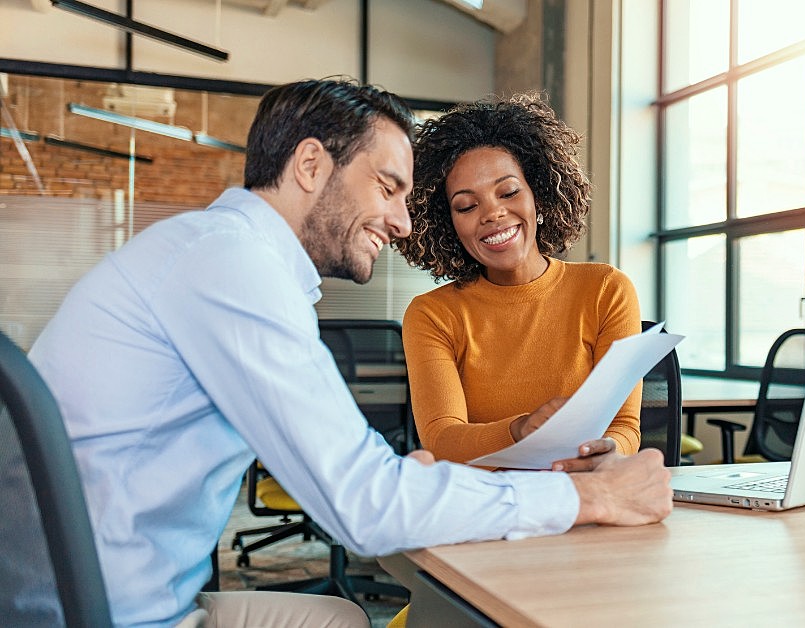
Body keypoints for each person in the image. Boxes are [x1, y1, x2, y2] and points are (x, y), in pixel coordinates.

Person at [27, 78, 672, 628]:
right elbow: (365, 505)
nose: (404, 222)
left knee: (340, 618)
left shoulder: (223, 255)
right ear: (311, 166)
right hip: (100, 612)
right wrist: (592, 501)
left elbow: (362, 480)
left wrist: (407, 482)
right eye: (388, 187)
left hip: (119, 591)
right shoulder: (230, 267)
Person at [394, 92, 642, 468]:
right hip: (485, 505)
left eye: (508, 192)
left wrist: (608, 451)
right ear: (449, 224)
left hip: (583, 494)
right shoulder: (432, 314)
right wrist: (521, 430)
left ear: (538, 197)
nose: (493, 213)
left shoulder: (606, 289)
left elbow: (625, 427)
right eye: (466, 205)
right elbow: (442, 439)